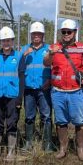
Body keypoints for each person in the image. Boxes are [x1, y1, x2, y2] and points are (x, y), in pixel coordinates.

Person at [43, 19, 83, 161]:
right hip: (58, 91)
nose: (66, 34)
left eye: (69, 32)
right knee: (61, 121)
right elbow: (46, 62)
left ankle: (80, 149)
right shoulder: (54, 47)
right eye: (63, 32)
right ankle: (63, 148)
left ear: (75, 32)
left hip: (77, 91)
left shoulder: (82, 48)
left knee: (80, 121)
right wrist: (51, 54)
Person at [0, 26, 26, 161]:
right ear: (0, 42)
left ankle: (10, 153)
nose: (6, 43)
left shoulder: (19, 56)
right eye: (3, 41)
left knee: (12, 123)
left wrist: (20, 97)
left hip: (12, 95)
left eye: (8, 40)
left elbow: (21, 77)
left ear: (12, 41)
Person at [21, 21, 53, 151]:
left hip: (44, 88)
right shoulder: (24, 49)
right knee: (29, 116)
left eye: (39, 34)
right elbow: (17, 66)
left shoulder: (49, 49)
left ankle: (47, 144)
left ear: (43, 35)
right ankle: (29, 142)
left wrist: (50, 80)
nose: (36, 36)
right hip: (29, 89)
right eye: (34, 34)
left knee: (46, 116)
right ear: (31, 35)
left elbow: (55, 67)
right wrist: (24, 56)